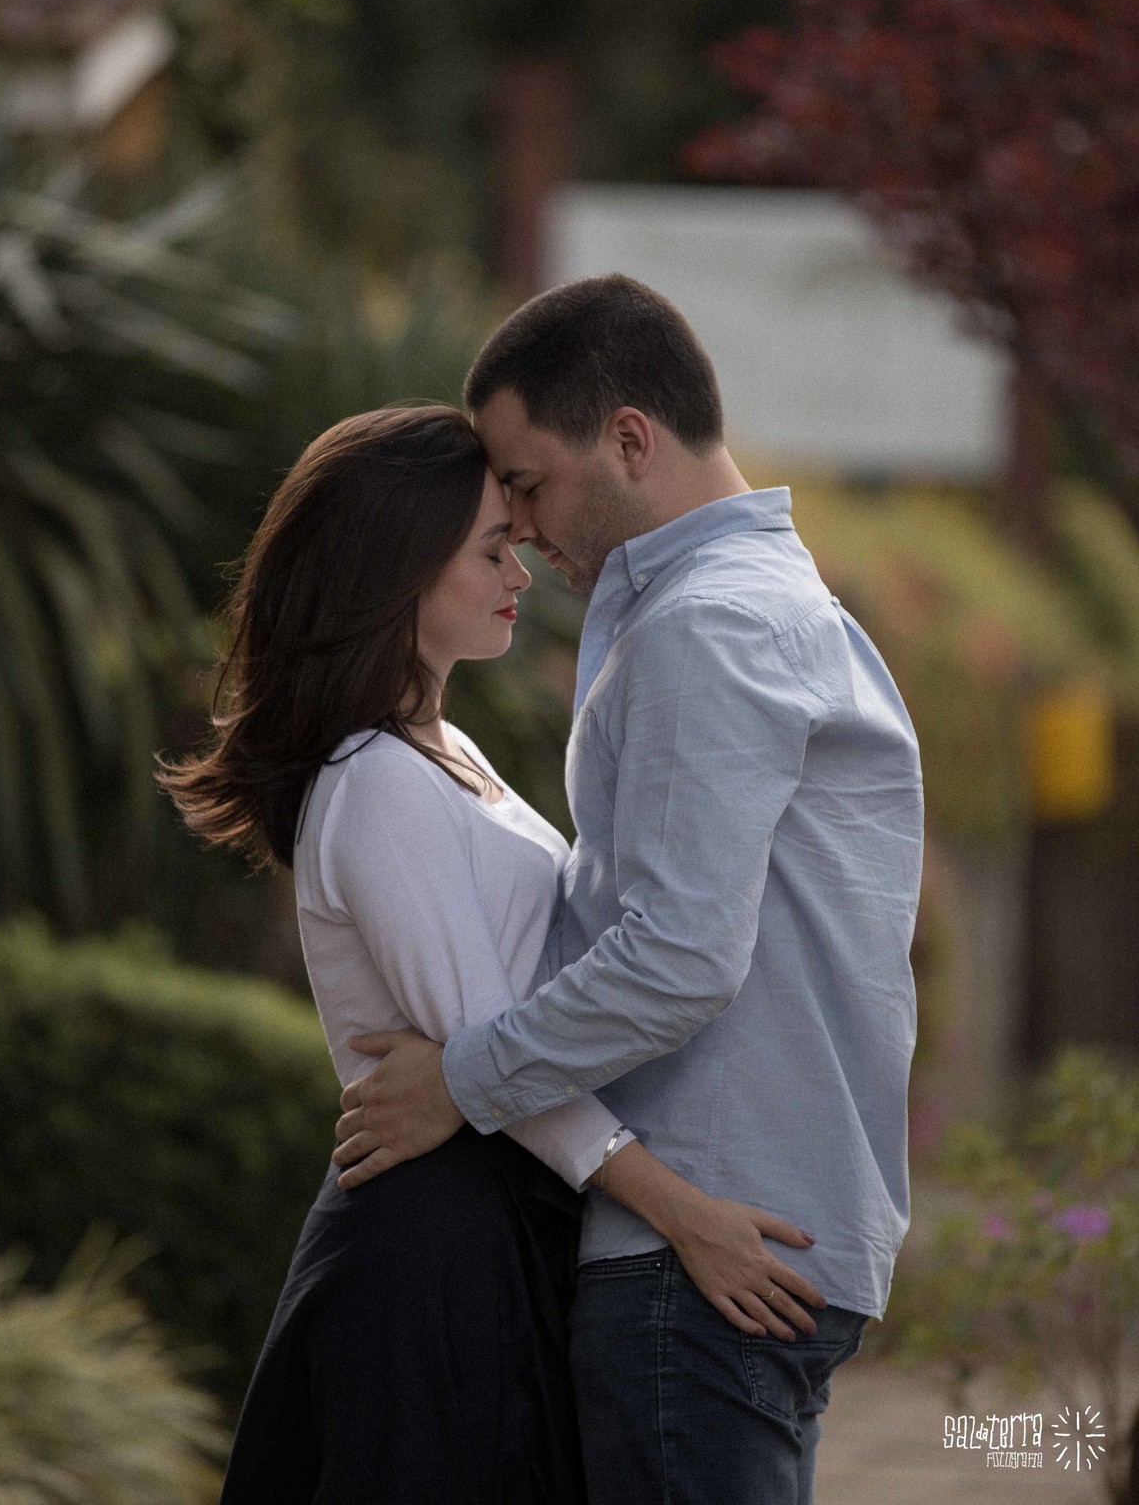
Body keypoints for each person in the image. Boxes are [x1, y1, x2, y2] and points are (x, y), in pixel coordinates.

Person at [156, 402, 827, 1505]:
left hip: (495, 1224)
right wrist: (686, 1218)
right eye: (488, 550)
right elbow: (493, 1062)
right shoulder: (370, 779)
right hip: (429, 1246)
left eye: (513, 541)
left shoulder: (444, 750)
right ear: (395, 574)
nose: (518, 570)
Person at [330, 275, 926, 1505]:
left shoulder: (704, 626)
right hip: (761, 1233)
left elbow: (674, 956)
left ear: (629, 439)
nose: (527, 533)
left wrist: (457, 1078)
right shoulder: (787, 607)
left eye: (529, 486)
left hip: (699, 1248)